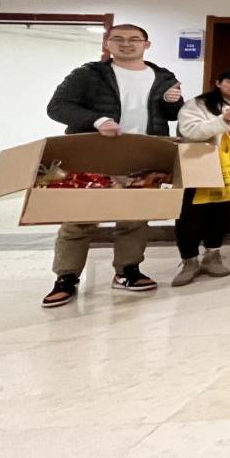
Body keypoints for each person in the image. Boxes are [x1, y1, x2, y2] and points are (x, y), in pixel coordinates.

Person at [41, 23, 183, 307]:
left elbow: (172, 114)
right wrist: (98, 120)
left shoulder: (164, 77)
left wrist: (173, 102)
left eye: (134, 39)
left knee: (135, 218)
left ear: (146, 44)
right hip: (93, 154)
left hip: (144, 155)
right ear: (108, 43)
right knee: (79, 218)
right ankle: (66, 277)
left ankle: (128, 271)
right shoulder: (88, 74)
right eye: (118, 38)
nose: (126, 44)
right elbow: (57, 107)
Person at [172, 67, 230, 286]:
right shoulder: (197, 104)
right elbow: (189, 131)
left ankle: (213, 254)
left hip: (228, 167)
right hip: (198, 164)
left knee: (221, 212)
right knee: (190, 213)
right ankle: (189, 260)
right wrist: (221, 121)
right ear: (218, 82)